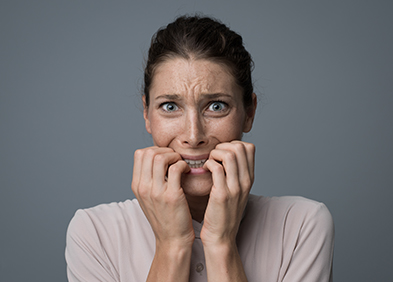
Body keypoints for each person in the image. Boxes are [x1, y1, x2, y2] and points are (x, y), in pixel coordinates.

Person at [65, 15, 334, 282]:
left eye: (216, 106)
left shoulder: (302, 225)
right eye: (170, 107)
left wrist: (221, 243)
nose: (194, 136)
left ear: (249, 112)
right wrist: (172, 245)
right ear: (147, 113)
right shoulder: (94, 233)